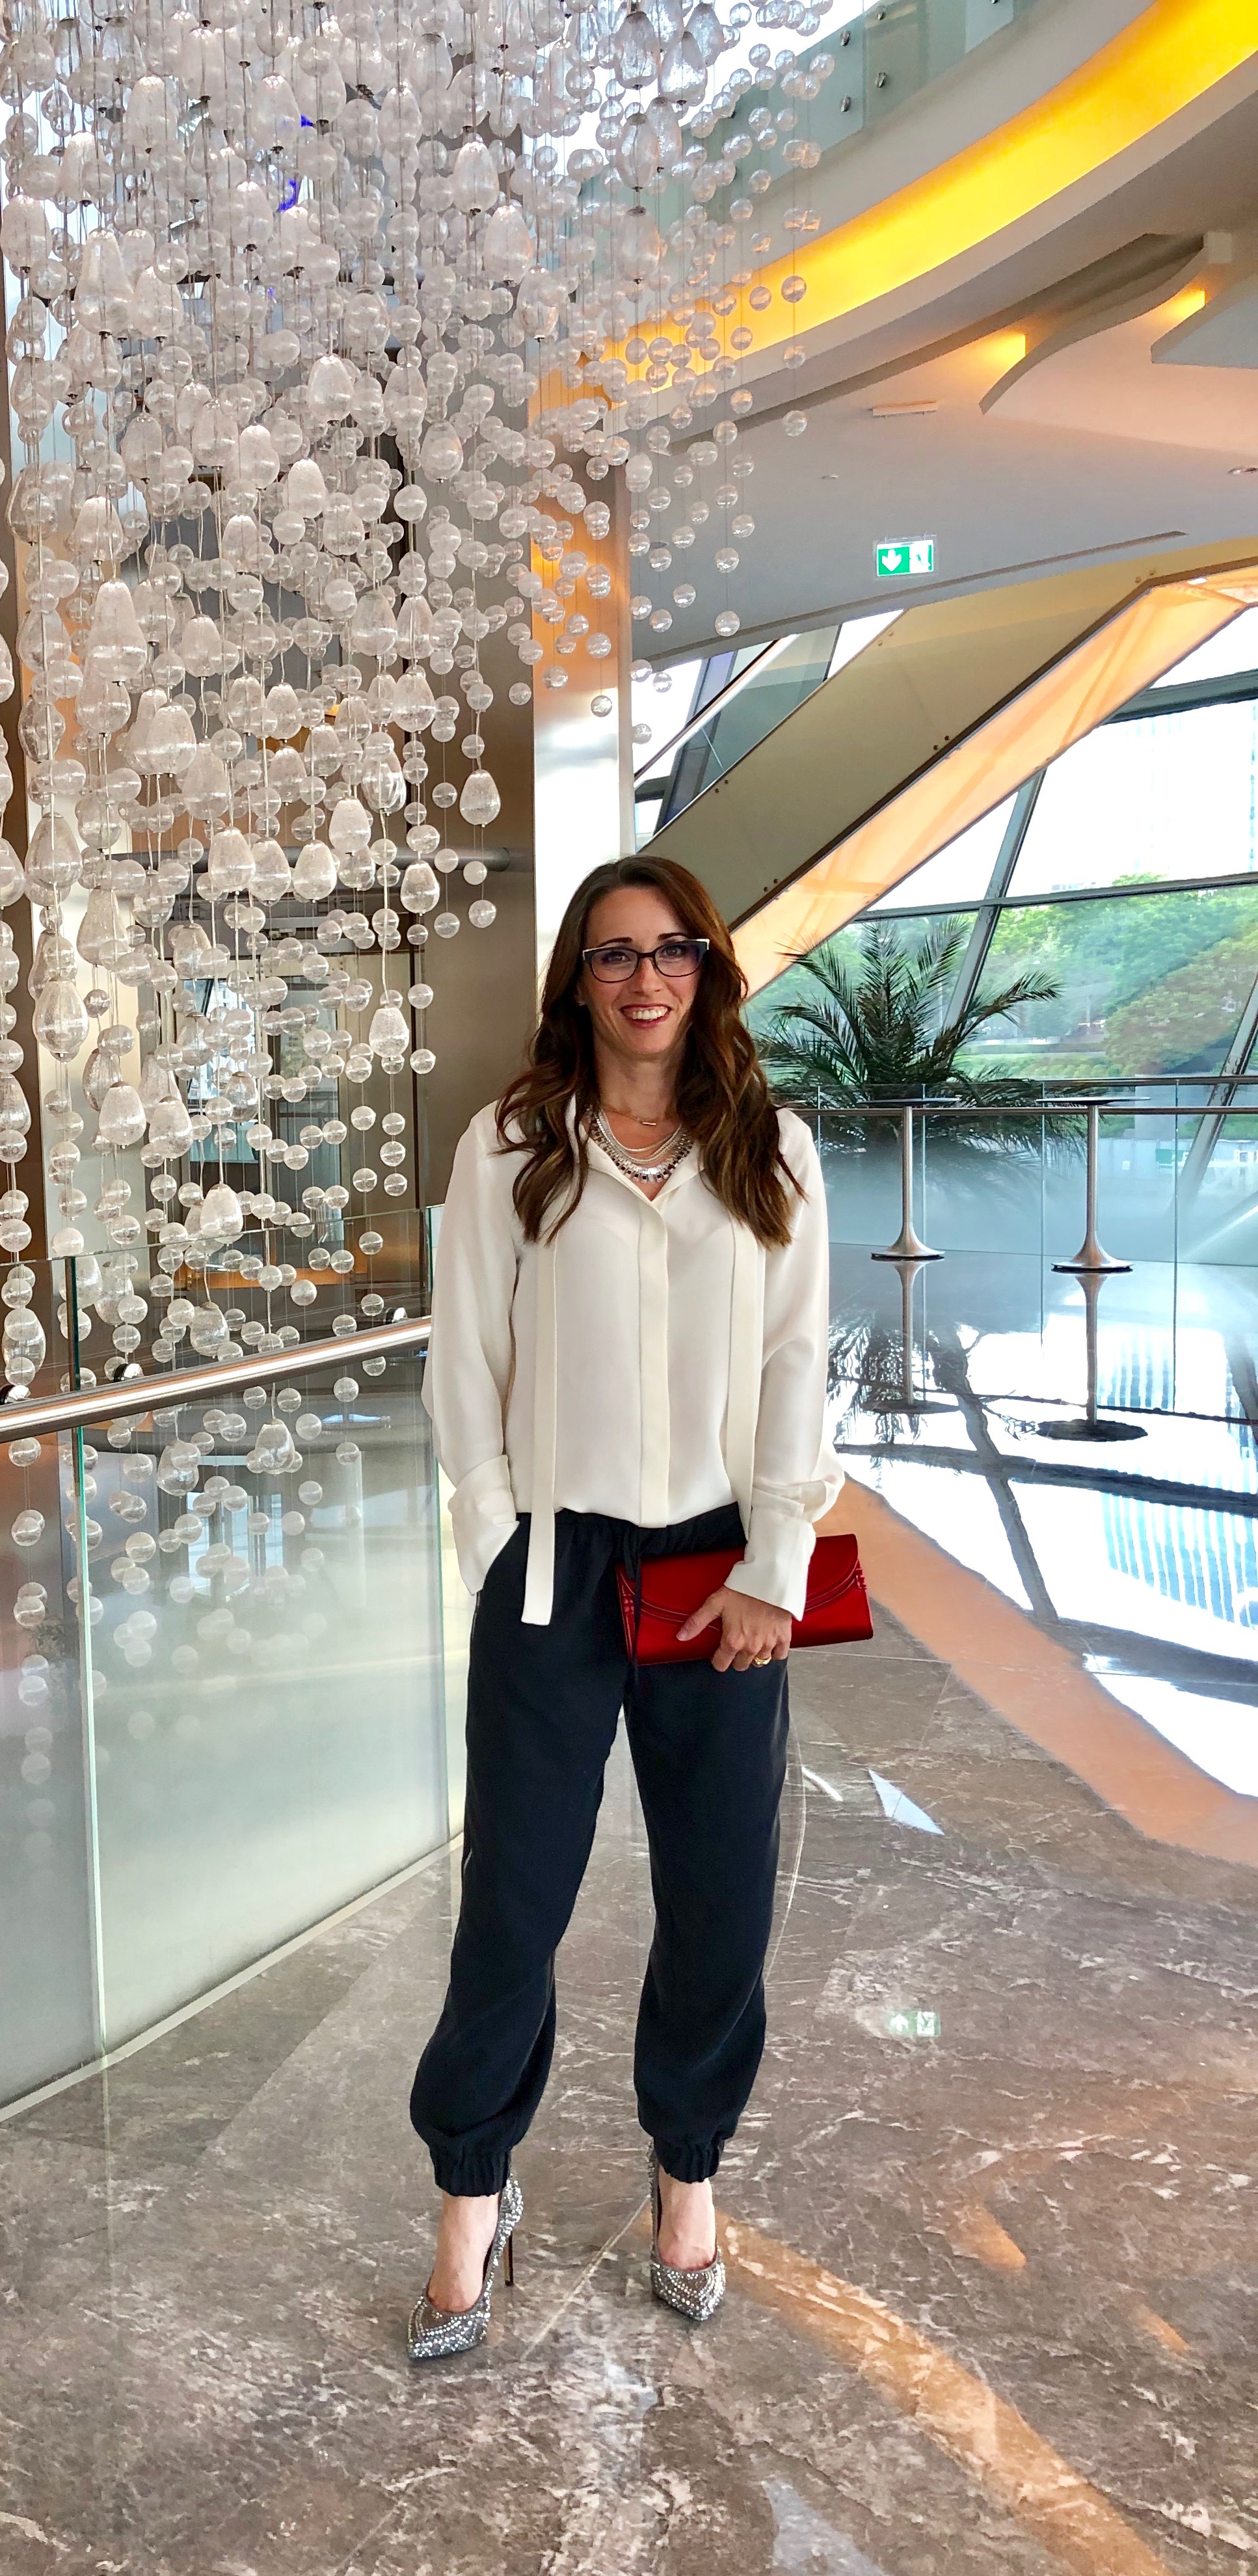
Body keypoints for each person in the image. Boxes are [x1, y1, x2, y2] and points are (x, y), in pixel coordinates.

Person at [406, 854, 840, 2359]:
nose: (644, 980)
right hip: (555, 1565)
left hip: (720, 1572)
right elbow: (464, 1355)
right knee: (513, 1899)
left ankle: (689, 2169)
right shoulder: (512, 1143)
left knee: (718, 1893)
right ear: (577, 982)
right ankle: (474, 2184)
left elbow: (797, 1363)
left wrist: (775, 1564)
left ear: (707, 971)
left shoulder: (771, 1149)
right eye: (613, 956)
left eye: (670, 953)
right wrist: (489, 1533)